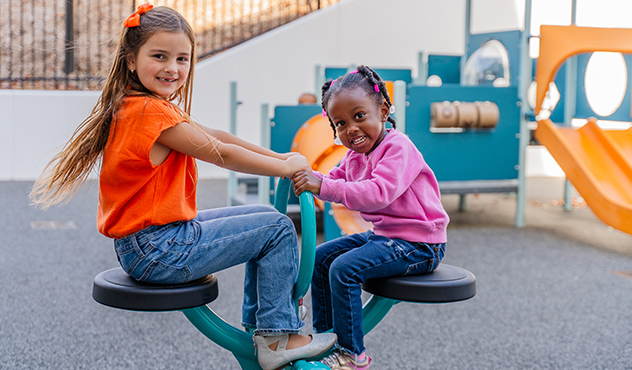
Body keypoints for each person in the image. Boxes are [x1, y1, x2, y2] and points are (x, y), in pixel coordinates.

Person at [29, 4, 335, 370]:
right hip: (159, 248)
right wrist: (285, 167)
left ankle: (266, 329)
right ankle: (276, 336)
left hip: (151, 243)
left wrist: (284, 156)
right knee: (278, 228)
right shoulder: (149, 112)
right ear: (131, 59)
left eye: (182, 59)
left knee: (266, 219)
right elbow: (219, 153)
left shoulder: (144, 105)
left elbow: (217, 136)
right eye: (159, 56)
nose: (172, 68)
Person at [291, 65, 449, 369]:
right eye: (340, 123)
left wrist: (322, 184)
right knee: (321, 258)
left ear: (383, 110)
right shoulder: (354, 156)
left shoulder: (397, 147)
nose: (351, 128)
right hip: (387, 236)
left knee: (344, 269)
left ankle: (352, 354)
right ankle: (325, 341)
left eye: (359, 116)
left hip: (420, 243)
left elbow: (378, 192)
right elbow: (331, 178)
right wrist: (305, 177)